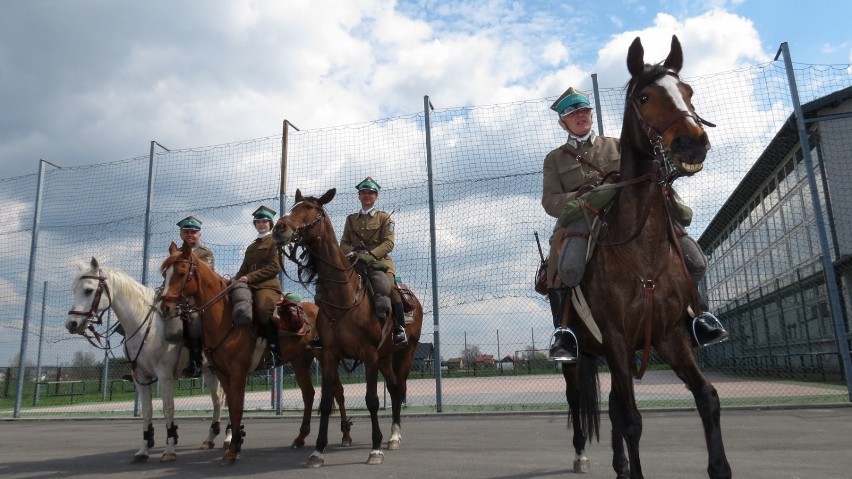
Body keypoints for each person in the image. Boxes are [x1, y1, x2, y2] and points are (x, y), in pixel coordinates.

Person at [542, 87, 728, 362]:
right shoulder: (555, 159)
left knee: (695, 259)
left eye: (584, 111)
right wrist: (581, 195)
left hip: (627, 213)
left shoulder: (618, 146)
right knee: (565, 265)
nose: (580, 116)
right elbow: (550, 201)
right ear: (562, 122)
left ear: (591, 115)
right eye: (572, 113)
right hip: (584, 215)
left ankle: (698, 317)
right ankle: (565, 331)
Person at [311, 176, 407, 349]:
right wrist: (353, 253)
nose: (367, 196)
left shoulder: (384, 218)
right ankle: (322, 331)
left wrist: (371, 254)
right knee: (330, 284)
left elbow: (388, 243)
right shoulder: (351, 219)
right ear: (359, 196)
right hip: (354, 261)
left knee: (390, 286)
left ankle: (400, 328)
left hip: (379, 262)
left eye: (370, 193)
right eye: (363, 193)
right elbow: (344, 243)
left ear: (376, 196)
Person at [234, 205, 284, 368]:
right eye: (258, 222)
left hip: (267, 286)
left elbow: (274, 267)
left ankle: (275, 351)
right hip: (249, 286)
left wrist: (249, 277)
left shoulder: (275, 242)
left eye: (265, 221)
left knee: (262, 308)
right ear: (255, 224)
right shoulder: (251, 247)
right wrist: (232, 282)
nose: (261, 224)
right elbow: (243, 269)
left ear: (270, 223)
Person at [176, 215, 216, 378]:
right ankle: (138, 363)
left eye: (193, 232)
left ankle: (195, 362)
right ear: (181, 234)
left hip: (198, 298)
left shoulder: (205, 253)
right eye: (186, 232)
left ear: (199, 235)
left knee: (193, 317)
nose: (190, 235)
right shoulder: (176, 253)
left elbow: (204, 278)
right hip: (176, 295)